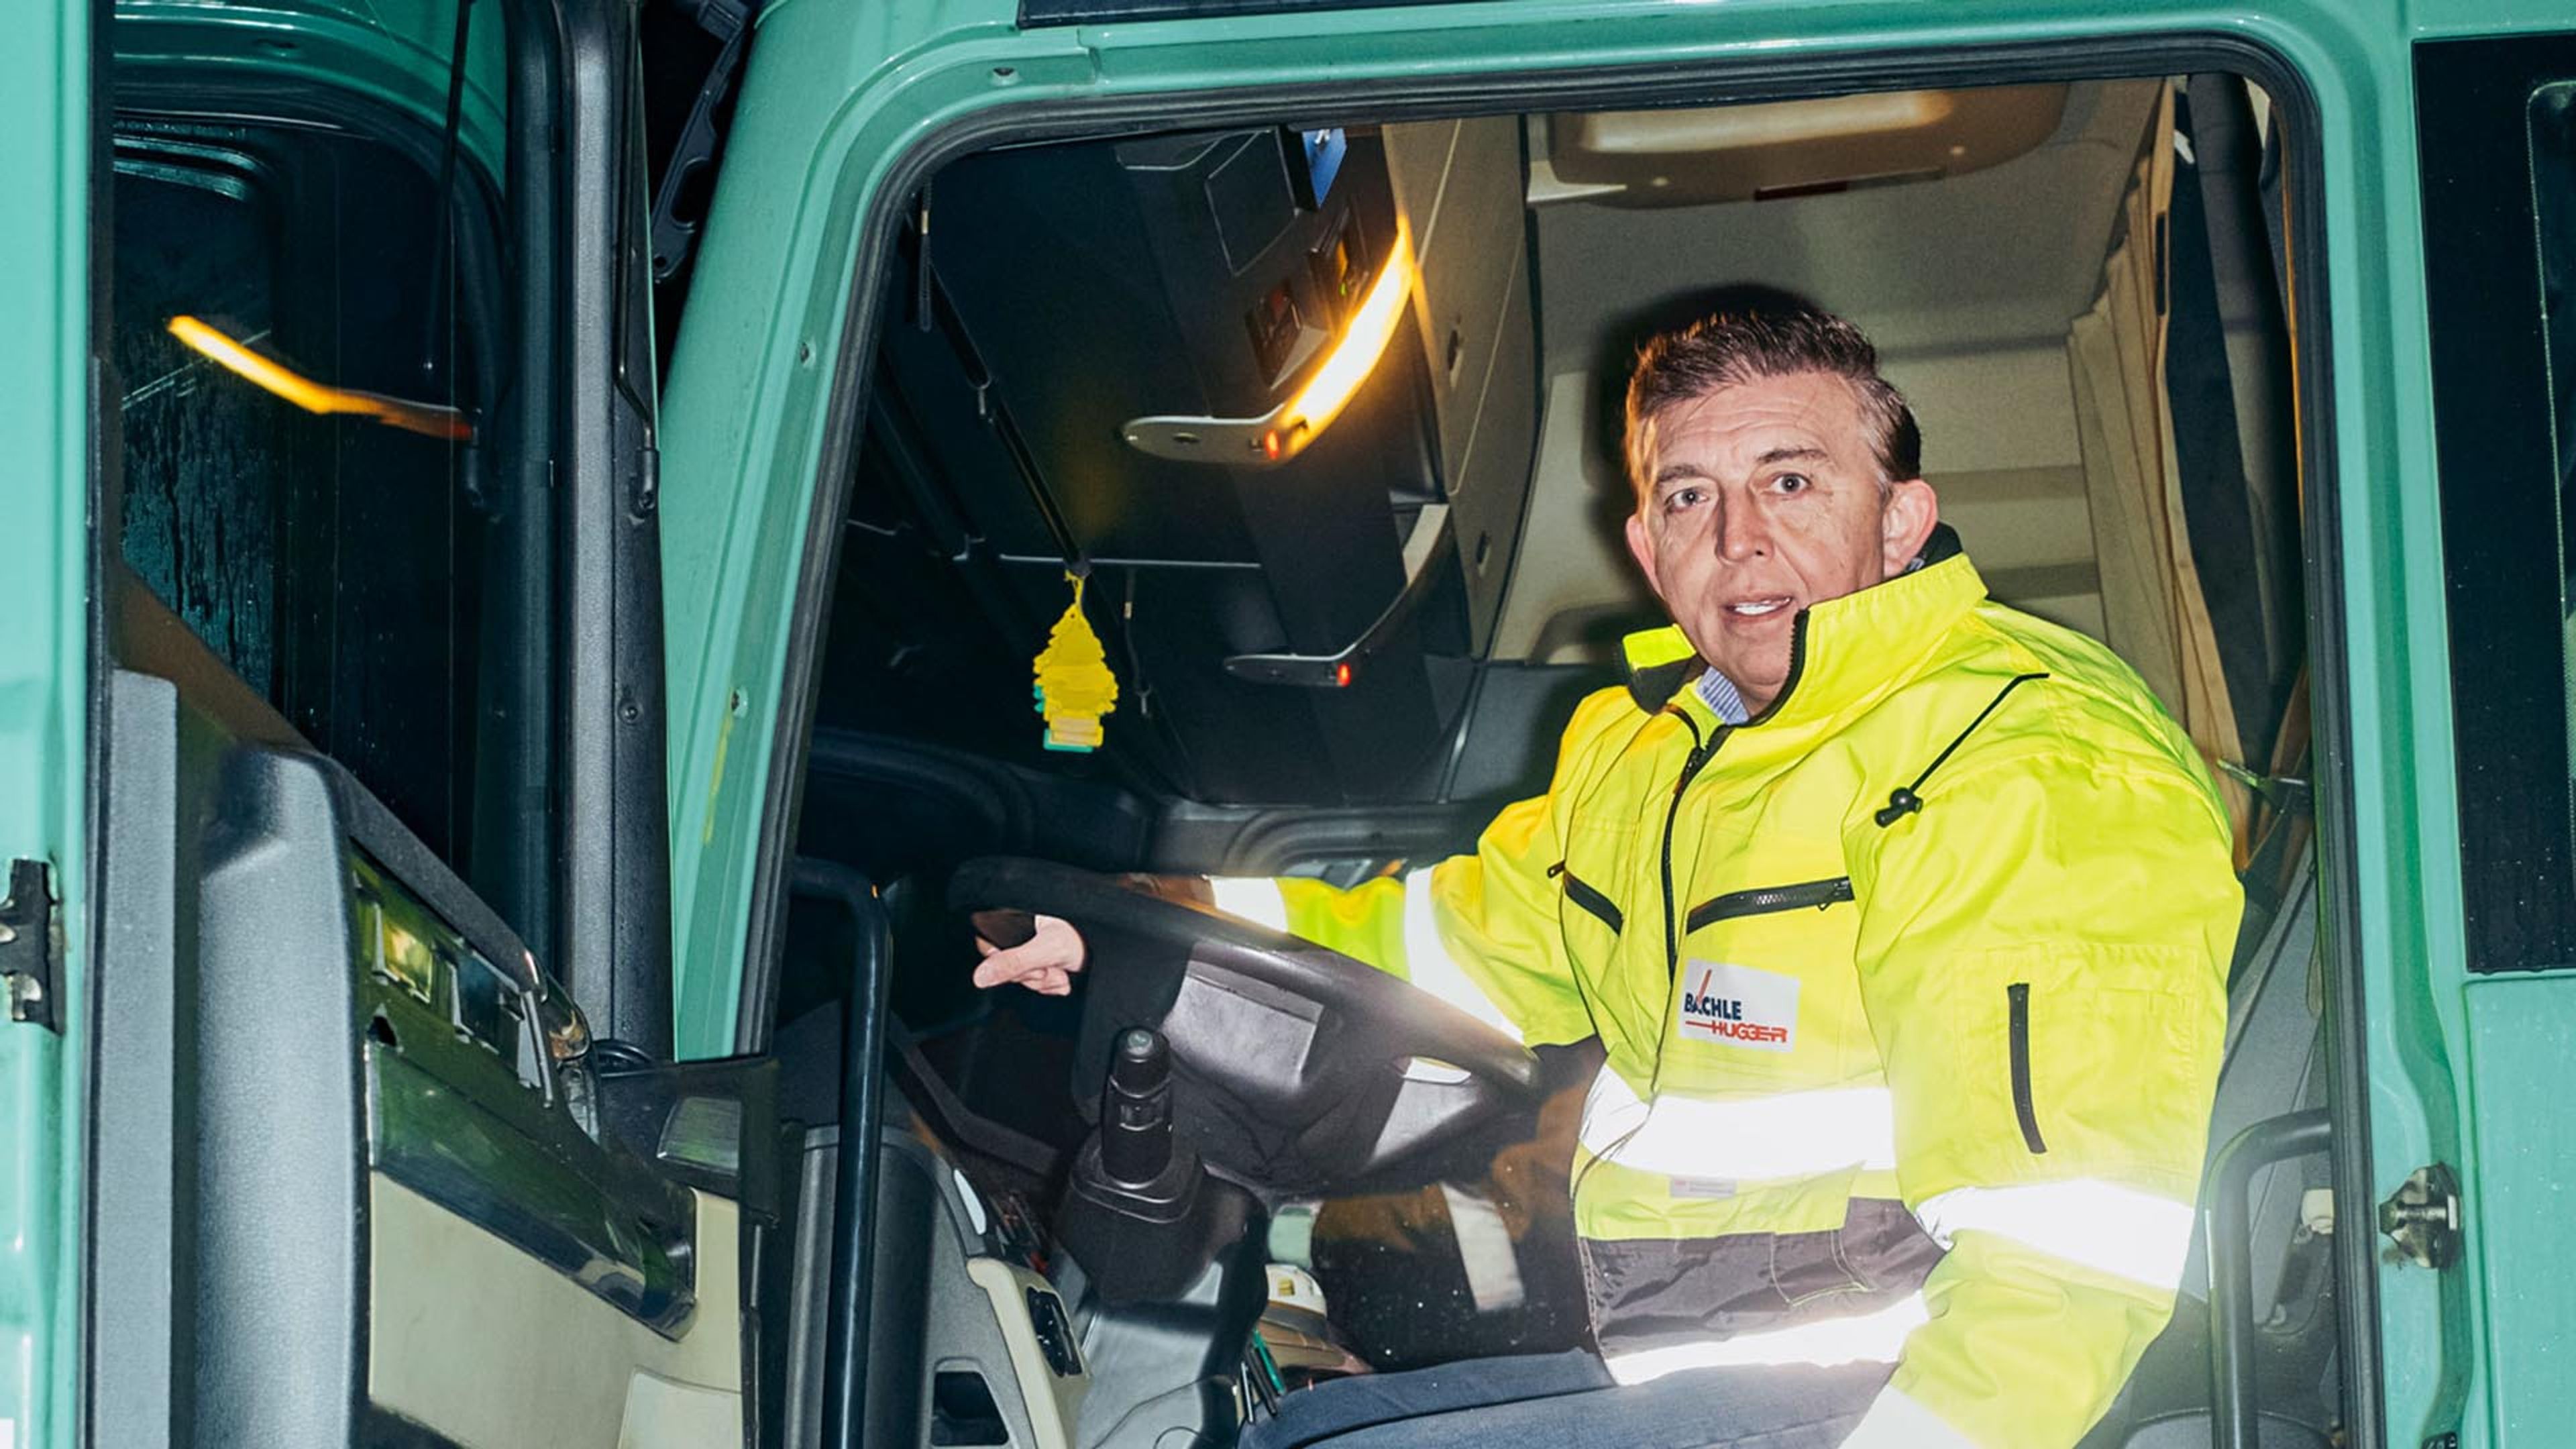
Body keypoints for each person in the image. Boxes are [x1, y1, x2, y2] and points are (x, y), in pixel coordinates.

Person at [976, 307, 2240, 1449]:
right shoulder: (1650, 751)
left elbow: (2069, 1252)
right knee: (1305, 1433)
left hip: (1902, 1383)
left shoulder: (2022, 754)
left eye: (1791, 482)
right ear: (1646, 542)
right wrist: (1138, 938)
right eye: (1691, 498)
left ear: (1902, 518)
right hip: (1704, 1372)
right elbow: (1451, 951)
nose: (1742, 541)